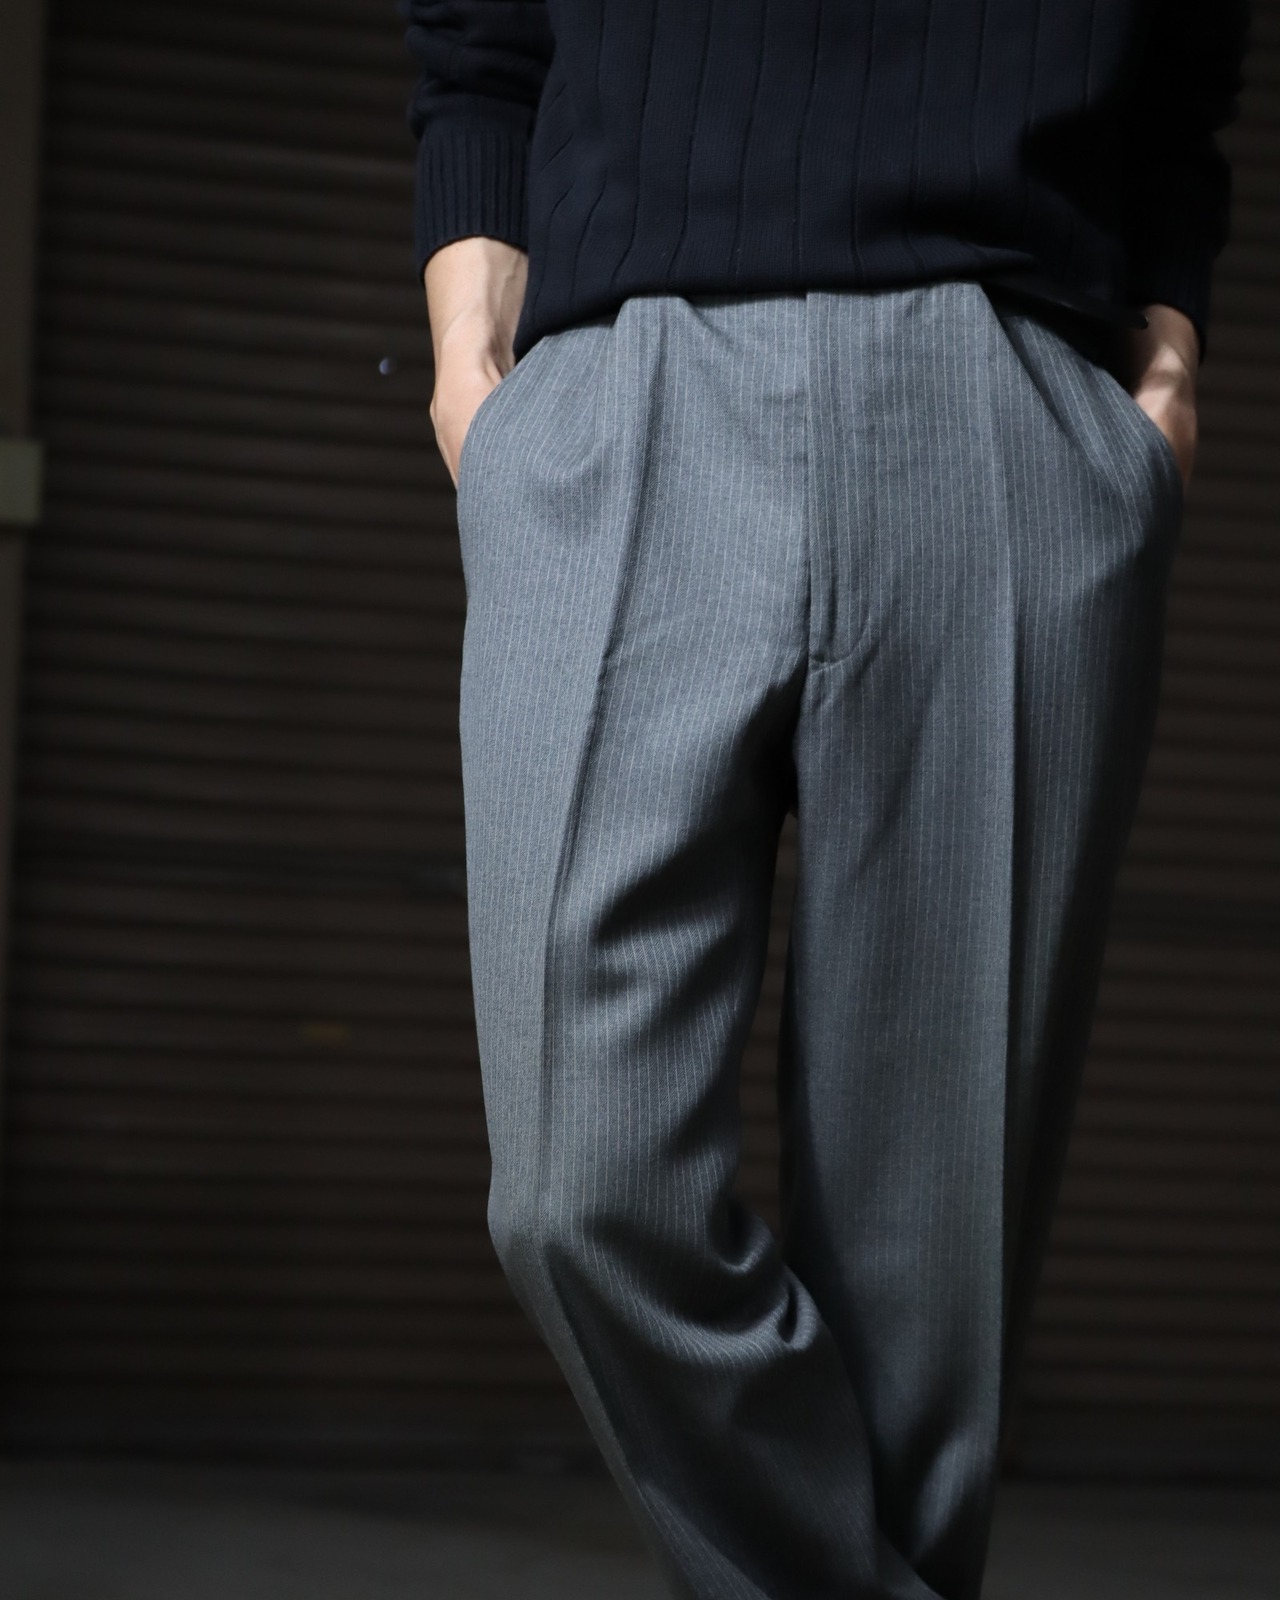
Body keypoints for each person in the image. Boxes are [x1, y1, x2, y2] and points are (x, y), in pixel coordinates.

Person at [398, 4, 1251, 1597]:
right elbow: (479, 39)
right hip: (621, 383)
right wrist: (470, 363)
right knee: (581, 1192)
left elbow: (1186, 77)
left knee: (927, 1286)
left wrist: (1168, 378)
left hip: (1006, 393)